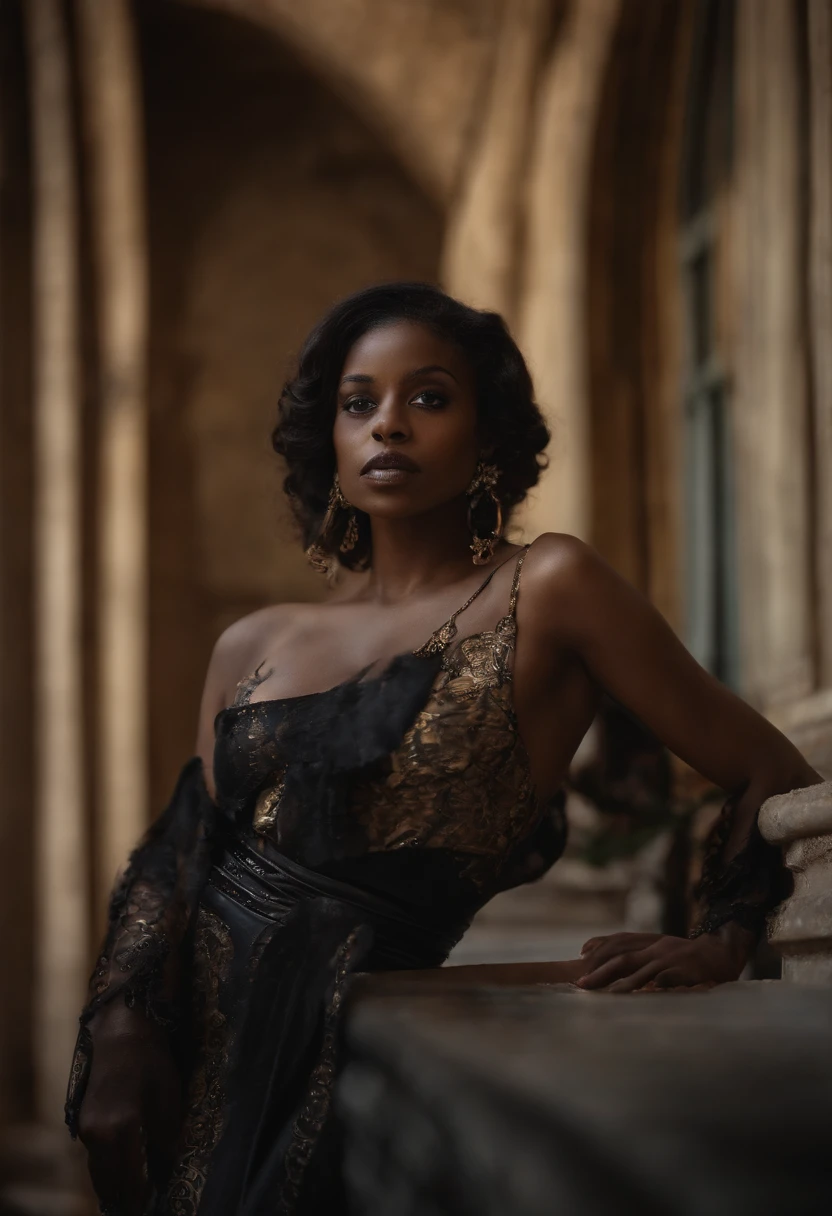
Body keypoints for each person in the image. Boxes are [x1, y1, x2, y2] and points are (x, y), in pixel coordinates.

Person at [67, 282, 821, 1215]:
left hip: (351, 1055)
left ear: (487, 437)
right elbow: (186, 852)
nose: (388, 425)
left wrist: (720, 941)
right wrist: (120, 1021)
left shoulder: (549, 585)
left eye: (428, 397)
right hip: (194, 1059)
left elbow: (771, 770)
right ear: (330, 442)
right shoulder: (253, 642)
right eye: (359, 403)